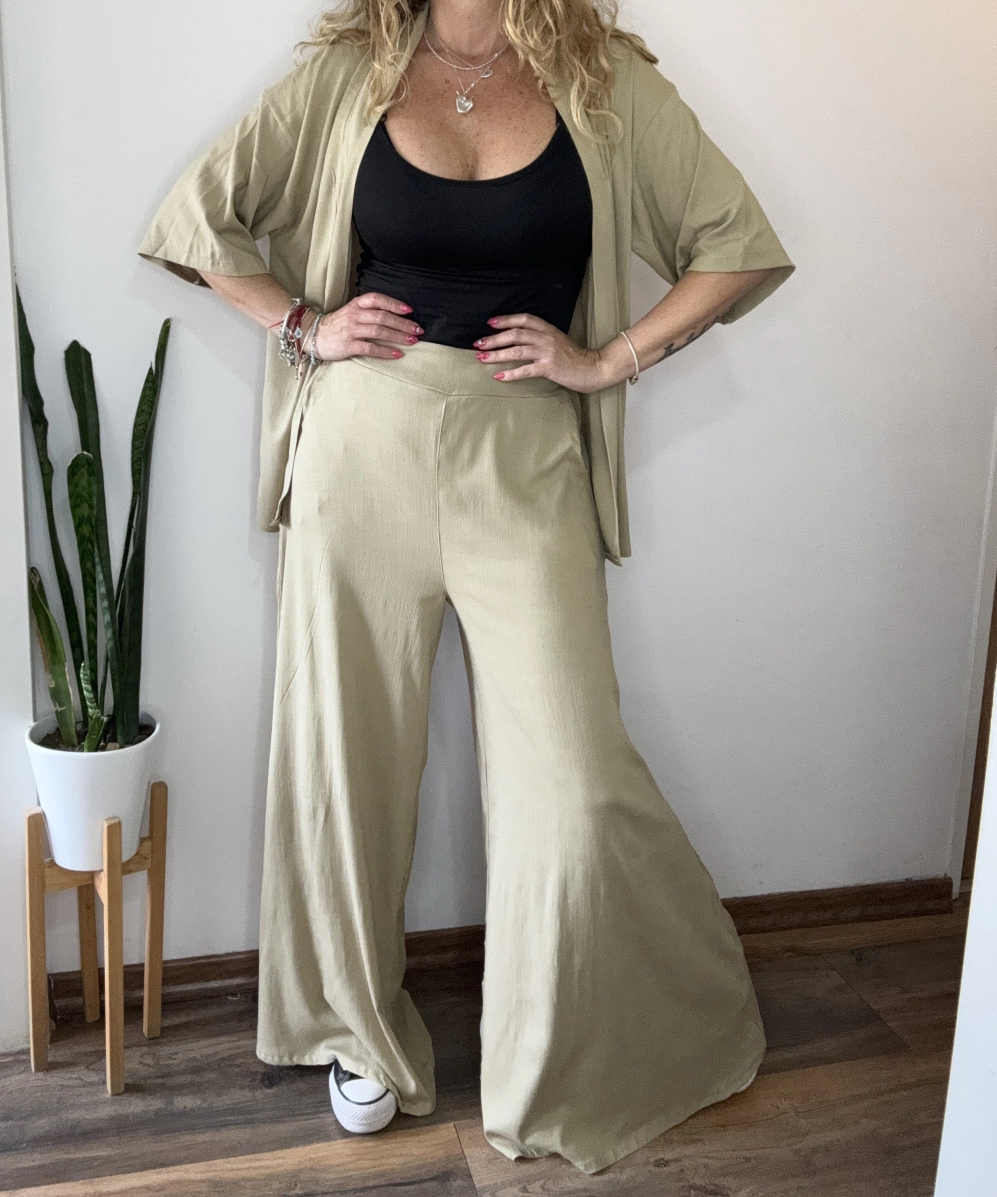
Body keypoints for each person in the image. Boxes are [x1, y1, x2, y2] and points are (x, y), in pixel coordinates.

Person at [137, 0, 795, 1176]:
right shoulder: (352, 71)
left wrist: (608, 359)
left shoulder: (601, 79)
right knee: (348, 759)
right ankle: (356, 1034)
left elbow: (735, 246)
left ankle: (567, 1047)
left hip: (525, 457)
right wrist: (302, 324)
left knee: (572, 776)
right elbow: (196, 219)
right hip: (361, 448)